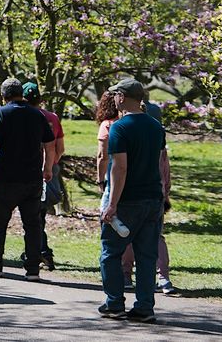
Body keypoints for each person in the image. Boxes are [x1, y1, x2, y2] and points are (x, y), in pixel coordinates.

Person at [0, 77, 55, 280]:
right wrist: (48, 168)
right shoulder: (37, 114)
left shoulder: (1, 113)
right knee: (33, 224)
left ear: (3, 96)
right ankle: (32, 269)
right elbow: (50, 144)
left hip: (7, 177)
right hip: (33, 178)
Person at [98, 78, 166, 323]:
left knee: (110, 252)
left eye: (116, 95)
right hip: (152, 199)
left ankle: (114, 303)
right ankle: (145, 307)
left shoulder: (120, 127)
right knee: (147, 256)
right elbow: (161, 163)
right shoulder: (156, 127)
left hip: (128, 201)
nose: (114, 99)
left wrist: (112, 204)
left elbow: (120, 168)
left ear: (123, 97)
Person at [24, 81, 65, 271]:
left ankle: (40, 250)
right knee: (39, 212)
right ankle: (39, 249)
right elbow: (60, 148)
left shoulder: (23, 116)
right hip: (50, 168)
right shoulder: (53, 117)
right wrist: (51, 164)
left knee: (32, 213)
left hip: (29, 169)